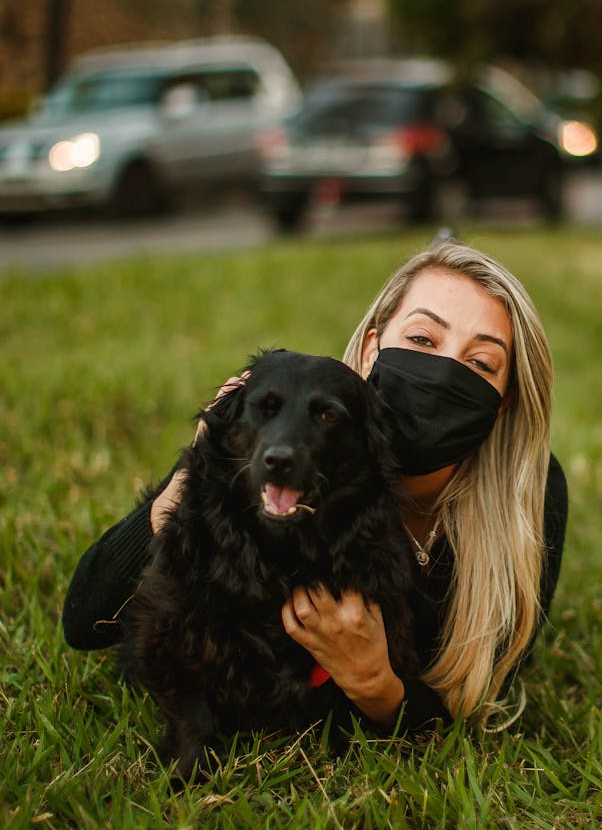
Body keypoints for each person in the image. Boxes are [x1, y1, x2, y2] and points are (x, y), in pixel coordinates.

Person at [62, 239, 567, 733]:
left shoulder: (529, 498)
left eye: (480, 363)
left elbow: (468, 705)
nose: (443, 372)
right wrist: (191, 480)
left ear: (502, 400)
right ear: (372, 350)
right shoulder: (288, 457)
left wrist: (375, 684)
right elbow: (87, 621)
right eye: (421, 341)